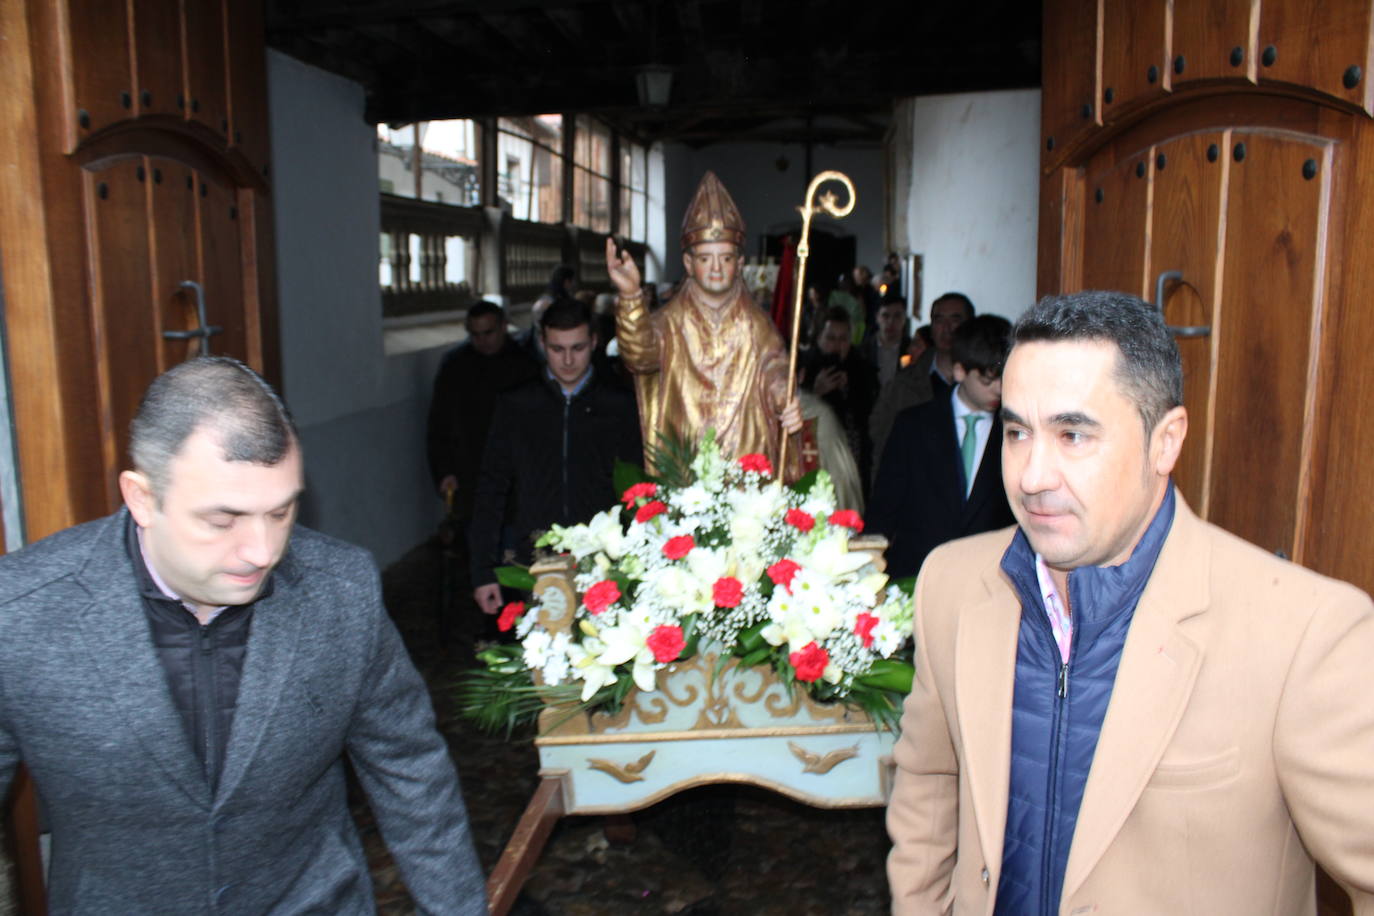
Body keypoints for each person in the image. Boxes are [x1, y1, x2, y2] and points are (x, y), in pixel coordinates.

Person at [887, 291, 1374, 914]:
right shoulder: (951, 584)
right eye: (1016, 432)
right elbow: (930, 782)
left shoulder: (1302, 633)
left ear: (1164, 442)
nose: (1032, 475)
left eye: (1073, 435)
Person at [0, 357, 485, 914]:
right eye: (223, 519)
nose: (263, 551)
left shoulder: (339, 591)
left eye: (281, 512)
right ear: (141, 498)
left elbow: (410, 770)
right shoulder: (20, 614)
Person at [606, 170, 801, 474]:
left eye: (725, 258)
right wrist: (631, 294)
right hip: (686, 461)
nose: (715, 269)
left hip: (746, 459)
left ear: (739, 264)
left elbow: (774, 365)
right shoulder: (670, 322)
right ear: (688, 263)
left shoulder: (755, 324)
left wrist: (782, 396)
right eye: (705, 258)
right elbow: (639, 355)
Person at [469, 298, 641, 616]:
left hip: (605, 556)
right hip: (533, 556)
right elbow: (491, 488)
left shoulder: (620, 406)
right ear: (541, 343)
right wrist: (482, 570)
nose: (567, 360)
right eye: (557, 349)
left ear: (594, 342)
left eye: (577, 348)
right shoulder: (516, 405)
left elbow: (638, 490)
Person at [868, 314, 1014, 579]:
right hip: (918, 572)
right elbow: (885, 506)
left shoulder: (1015, 432)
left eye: (1005, 378)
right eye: (987, 380)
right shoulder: (914, 425)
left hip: (989, 578)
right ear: (960, 371)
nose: (999, 389)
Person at [426, 300, 538, 520]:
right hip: (469, 471)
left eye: (488, 332)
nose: (482, 341)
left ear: (504, 327)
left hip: (516, 473)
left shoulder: (526, 365)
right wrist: (444, 471)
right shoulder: (455, 366)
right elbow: (439, 423)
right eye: (475, 334)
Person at [869, 291, 974, 473]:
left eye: (955, 320)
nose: (946, 328)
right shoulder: (902, 385)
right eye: (939, 320)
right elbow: (881, 443)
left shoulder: (982, 384)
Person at [802, 306, 877, 491]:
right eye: (830, 338)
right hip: (816, 452)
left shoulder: (862, 369)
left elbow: (870, 413)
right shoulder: (803, 369)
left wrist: (850, 391)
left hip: (852, 454)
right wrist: (815, 392)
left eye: (843, 339)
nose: (837, 345)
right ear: (818, 338)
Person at [861, 296, 911, 388]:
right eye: (885, 316)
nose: (890, 321)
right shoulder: (863, 350)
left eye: (897, 316)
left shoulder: (912, 349)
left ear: (904, 318)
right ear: (877, 318)